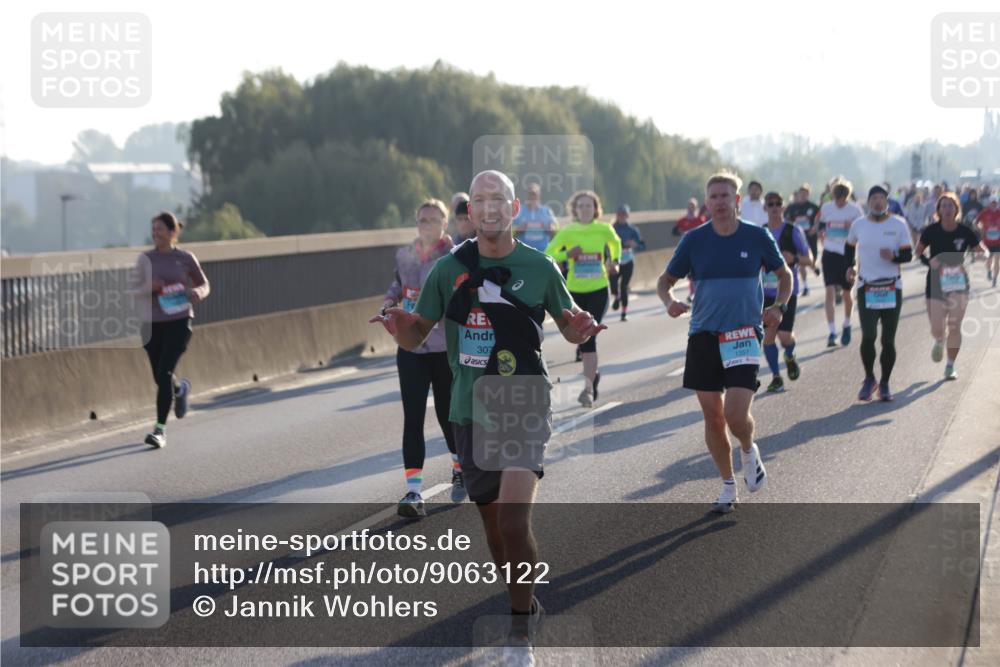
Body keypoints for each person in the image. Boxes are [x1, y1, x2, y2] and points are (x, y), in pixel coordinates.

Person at [373, 170, 605, 662]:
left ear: (514, 208)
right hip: (469, 407)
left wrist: (581, 328)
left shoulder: (539, 268)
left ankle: (519, 632)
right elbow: (419, 336)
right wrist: (399, 327)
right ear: (471, 212)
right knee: (496, 530)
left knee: (516, 521)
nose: (489, 205)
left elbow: (569, 326)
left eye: (498, 197)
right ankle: (523, 600)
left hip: (522, 399)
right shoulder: (447, 270)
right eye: (479, 199)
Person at [658, 171, 791, 513]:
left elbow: (784, 275)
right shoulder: (694, 240)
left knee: (735, 413)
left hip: (744, 334)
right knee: (713, 417)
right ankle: (728, 485)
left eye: (725, 196)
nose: (719, 202)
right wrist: (669, 301)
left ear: (737, 200)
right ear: (707, 203)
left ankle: (747, 447)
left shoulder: (756, 236)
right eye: (713, 196)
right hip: (703, 335)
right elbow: (665, 281)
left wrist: (778, 306)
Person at [378, 198, 461, 518]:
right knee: (412, 419)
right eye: (421, 220)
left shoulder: (453, 257)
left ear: (444, 223)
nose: (425, 225)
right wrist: (387, 307)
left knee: (446, 415)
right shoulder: (407, 255)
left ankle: (459, 466)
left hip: (442, 348)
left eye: (432, 219)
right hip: (411, 348)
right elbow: (397, 286)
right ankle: (414, 491)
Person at [135, 212, 210, 449]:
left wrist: (197, 293)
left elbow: (204, 283)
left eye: (160, 229)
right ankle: (180, 389)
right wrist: (150, 287)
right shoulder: (145, 259)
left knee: (165, 372)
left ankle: (159, 430)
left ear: (173, 232)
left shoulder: (186, 258)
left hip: (179, 320)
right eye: (153, 229)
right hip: (151, 323)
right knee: (160, 377)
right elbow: (134, 290)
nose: (155, 233)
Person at [545, 190, 622, 406]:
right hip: (574, 293)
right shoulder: (568, 232)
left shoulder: (604, 229)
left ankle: (587, 389)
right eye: (581, 206)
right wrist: (567, 255)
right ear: (575, 210)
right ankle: (592, 376)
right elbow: (548, 253)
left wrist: (614, 260)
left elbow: (616, 244)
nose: (586, 209)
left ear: (596, 208)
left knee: (590, 335)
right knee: (581, 335)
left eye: (589, 205)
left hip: (598, 289)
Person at [844, 186, 913, 402]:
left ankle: (884, 382)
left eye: (881, 198)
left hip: (892, 287)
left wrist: (893, 256)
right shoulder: (859, 224)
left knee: (888, 339)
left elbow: (908, 255)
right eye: (873, 198)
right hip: (867, 287)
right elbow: (849, 247)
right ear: (869, 201)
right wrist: (849, 266)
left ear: (887, 201)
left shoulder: (898, 224)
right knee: (868, 336)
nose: (877, 202)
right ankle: (869, 378)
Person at [915, 191, 989, 380]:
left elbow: (982, 250)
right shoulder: (931, 230)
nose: (947, 209)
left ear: (957, 209)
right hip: (935, 283)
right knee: (937, 328)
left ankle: (950, 366)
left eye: (951, 206)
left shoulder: (965, 231)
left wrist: (983, 255)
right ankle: (939, 340)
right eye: (944, 206)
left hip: (958, 283)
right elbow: (918, 252)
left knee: (955, 326)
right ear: (938, 209)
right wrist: (928, 262)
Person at [762, 192, 814, 392]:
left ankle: (790, 355)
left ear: (783, 207)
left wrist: (793, 259)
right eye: (770, 204)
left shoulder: (793, 231)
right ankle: (776, 376)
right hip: (766, 292)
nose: (775, 207)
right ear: (765, 208)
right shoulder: (761, 232)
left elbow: (808, 258)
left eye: (778, 204)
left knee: (784, 336)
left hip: (788, 291)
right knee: (768, 336)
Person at [817, 181, 864, 347]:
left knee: (846, 293)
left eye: (842, 198)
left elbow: (861, 231)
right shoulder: (826, 208)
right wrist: (821, 233)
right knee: (829, 291)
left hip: (847, 254)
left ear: (847, 196)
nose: (839, 202)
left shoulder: (855, 210)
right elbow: (821, 224)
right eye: (836, 198)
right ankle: (831, 332)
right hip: (829, 252)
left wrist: (851, 227)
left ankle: (846, 324)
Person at [610, 204, 646, 321]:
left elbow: (642, 246)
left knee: (624, 286)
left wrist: (635, 244)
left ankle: (624, 313)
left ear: (628, 215)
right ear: (617, 215)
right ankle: (617, 296)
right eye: (620, 214)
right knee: (613, 285)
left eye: (624, 214)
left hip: (628, 261)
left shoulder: (633, 229)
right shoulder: (611, 228)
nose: (622, 216)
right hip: (615, 260)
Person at [784, 184, 821, 296]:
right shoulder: (791, 207)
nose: (803, 196)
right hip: (798, 239)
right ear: (798, 194)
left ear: (808, 195)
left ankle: (814, 267)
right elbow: (785, 220)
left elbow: (821, 219)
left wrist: (815, 227)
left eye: (805, 194)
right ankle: (805, 286)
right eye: (801, 194)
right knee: (801, 263)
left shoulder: (813, 207)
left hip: (810, 237)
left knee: (811, 260)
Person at [673, 198, 706, 301]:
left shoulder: (701, 219)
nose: (691, 208)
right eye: (690, 205)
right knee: (691, 273)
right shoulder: (682, 221)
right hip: (687, 250)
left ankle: (697, 292)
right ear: (687, 207)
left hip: (699, 249)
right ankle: (693, 293)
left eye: (693, 206)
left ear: (696, 208)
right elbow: (674, 232)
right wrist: (682, 232)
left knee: (698, 272)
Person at [512, 183, 559, 252]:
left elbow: (555, 230)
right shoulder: (518, 210)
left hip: (543, 251)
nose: (532, 197)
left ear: (538, 195)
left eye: (534, 194)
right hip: (523, 251)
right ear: (526, 195)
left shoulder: (546, 210)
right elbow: (507, 231)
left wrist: (549, 228)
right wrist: (518, 229)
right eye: (530, 194)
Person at [976, 195, 1000, 287]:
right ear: (989, 203)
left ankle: (995, 278)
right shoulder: (984, 212)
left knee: (997, 259)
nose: (994, 205)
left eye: (995, 203)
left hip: (998, 241)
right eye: (992, 203)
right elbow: (976, 222)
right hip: (987, 241)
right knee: (989, 259)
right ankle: (989, 271)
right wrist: (980, 228)